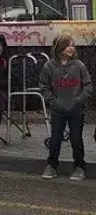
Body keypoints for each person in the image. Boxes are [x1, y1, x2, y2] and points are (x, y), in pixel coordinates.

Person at [39, 35, 91, 181]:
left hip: (76, 110)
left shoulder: (79, 65)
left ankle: (79, 167)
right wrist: (53, 102)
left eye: (72, 45)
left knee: (76, 138)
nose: (71, 48)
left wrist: (79, 100)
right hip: (58, 110)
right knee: (55, 138)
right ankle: (52, 165)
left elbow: (87, 85)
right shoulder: (49, 66)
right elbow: (44, 86)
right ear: (59, 48)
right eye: (68, 45)